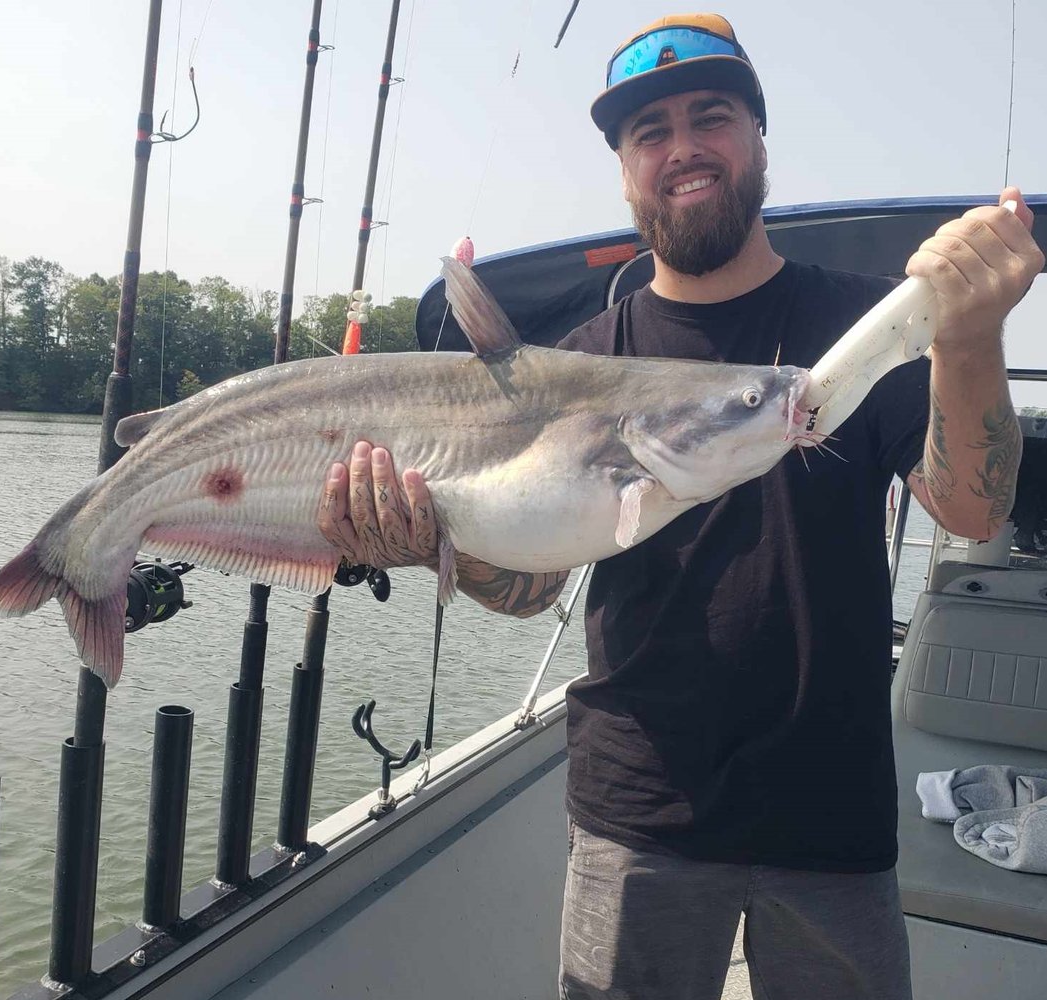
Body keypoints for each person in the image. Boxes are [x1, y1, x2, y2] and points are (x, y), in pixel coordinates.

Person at [317, 13, 1044, 1000]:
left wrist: (967, 338)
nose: (683, 148)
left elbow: (968, 506)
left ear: (758, 141)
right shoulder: (580, 359)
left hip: (832, 821)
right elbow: (533, 587)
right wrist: (434, 537)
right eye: (649, 131)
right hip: (637, 815)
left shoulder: (854, 325)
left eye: (712, 116)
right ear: (623, 169)